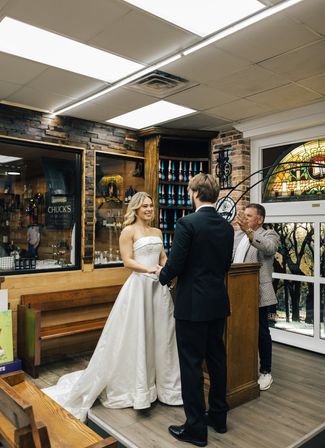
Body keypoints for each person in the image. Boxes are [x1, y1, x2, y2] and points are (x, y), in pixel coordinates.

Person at [44, 192, 182, 421]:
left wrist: (167, 270)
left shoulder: (157, 232)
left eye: (151, 205)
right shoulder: (129, 231)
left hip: (158, 288)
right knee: (137, 334)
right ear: (136, 209)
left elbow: (163, 257)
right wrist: (148, 270)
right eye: (145, 206)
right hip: (139, 287)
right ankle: (135, 389)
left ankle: (164, 387)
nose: (149, 209)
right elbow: (127, 260)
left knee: (161, 335)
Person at [157, 173, 234, 447]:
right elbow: (226, 264)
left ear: (195, 194)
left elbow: (176, 264)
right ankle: (219, 418)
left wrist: (162, 276)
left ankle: (195, 429)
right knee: (217, 360)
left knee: (190, 365)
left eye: (190, 192)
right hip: (218, 303)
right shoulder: (227, 228)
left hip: (191, 305)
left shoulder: (187, 223)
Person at [232, 204, 279, 391]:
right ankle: (242, 367)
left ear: (260, 219)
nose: (245, 218)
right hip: (237, 291)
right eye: (244, 215)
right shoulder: (237, 236)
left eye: (249, 216)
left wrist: (249, 232)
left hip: (258, 293)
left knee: (261, 332)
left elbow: (268, 249)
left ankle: (266, 371)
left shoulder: (270, 235)